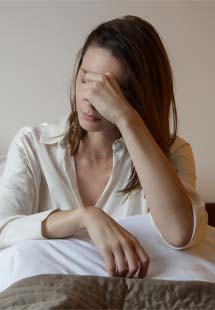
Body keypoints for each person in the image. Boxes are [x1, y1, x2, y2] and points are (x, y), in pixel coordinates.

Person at [0, 15, 208, 279]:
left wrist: (126, 118)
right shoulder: (33, 145)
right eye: (85, 80)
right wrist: (85, 217)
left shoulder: (173, 151)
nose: (89, 100)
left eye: (111, 89)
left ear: (139, 94)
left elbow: (179, 233)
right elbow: (4, 230)